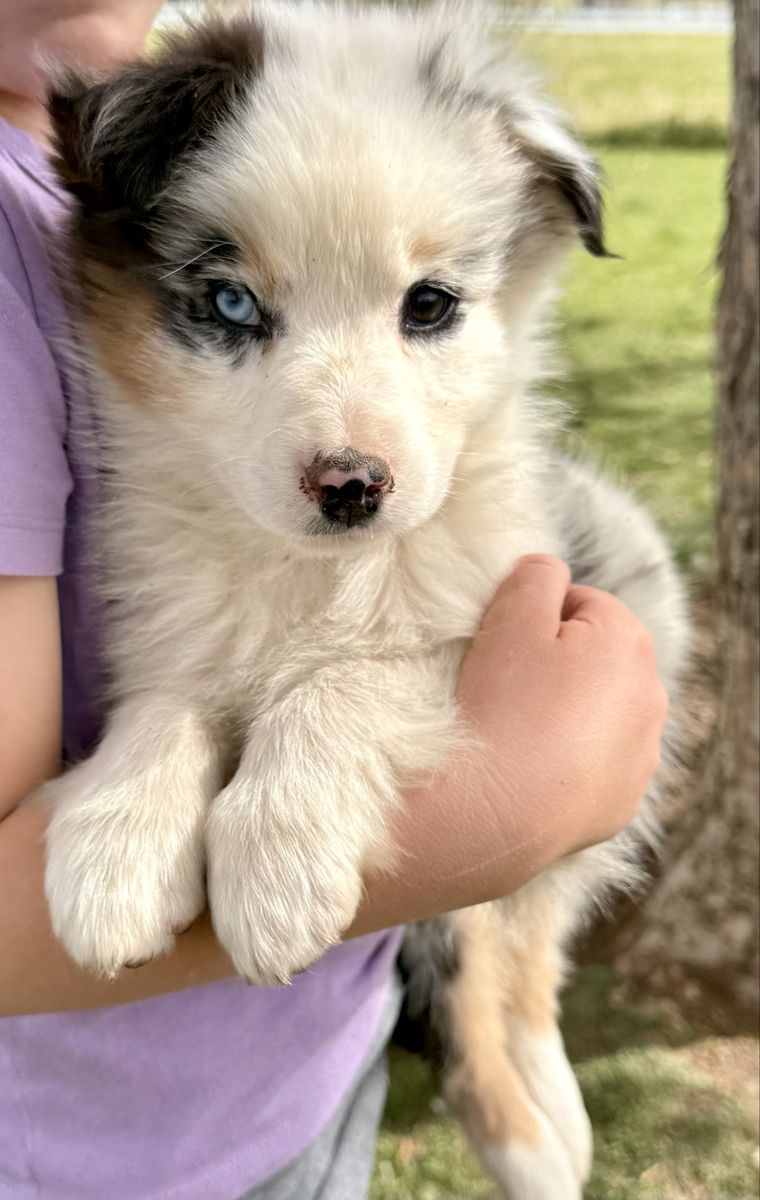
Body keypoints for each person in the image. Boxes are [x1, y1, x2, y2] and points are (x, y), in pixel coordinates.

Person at [0, 2, 668, 1197]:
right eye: (236, 306)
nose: (347, 449)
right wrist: (160, 743)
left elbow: (465, 651)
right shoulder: (53, 233)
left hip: (314, 1077)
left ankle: (500, 1029)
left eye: (428, 307)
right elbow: (198, 676)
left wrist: (334, 730)